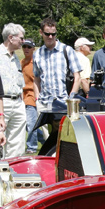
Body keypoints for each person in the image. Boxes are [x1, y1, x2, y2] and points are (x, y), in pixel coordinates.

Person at [32, 18, 82, 154]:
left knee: (66, 139)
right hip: (45, 104)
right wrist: (37, 99)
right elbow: (36, 79)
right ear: (41, 32)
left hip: (63, 102)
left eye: (53, 34)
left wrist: (71, 99)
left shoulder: (66, 50)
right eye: (47, 33)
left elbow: (77, 77)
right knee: (49, 142)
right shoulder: (37, 54)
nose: (50, 37)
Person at [0, 23, 28, 158]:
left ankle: (14, 170)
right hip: (1, 101)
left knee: (18, 141)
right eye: (21, 38)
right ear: (10, 38)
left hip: (18, 102)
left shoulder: (15, 57)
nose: (23, 41)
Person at [21, 39, 40, 153]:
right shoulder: (21, 62)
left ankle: (32, 147)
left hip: (32, 96)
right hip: (22, 96)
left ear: (33, 49)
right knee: (29, 123)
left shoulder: (35, 63)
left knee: (31, 122)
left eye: (29, 47)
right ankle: (45, 140)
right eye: (24, 46)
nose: (26, 49)